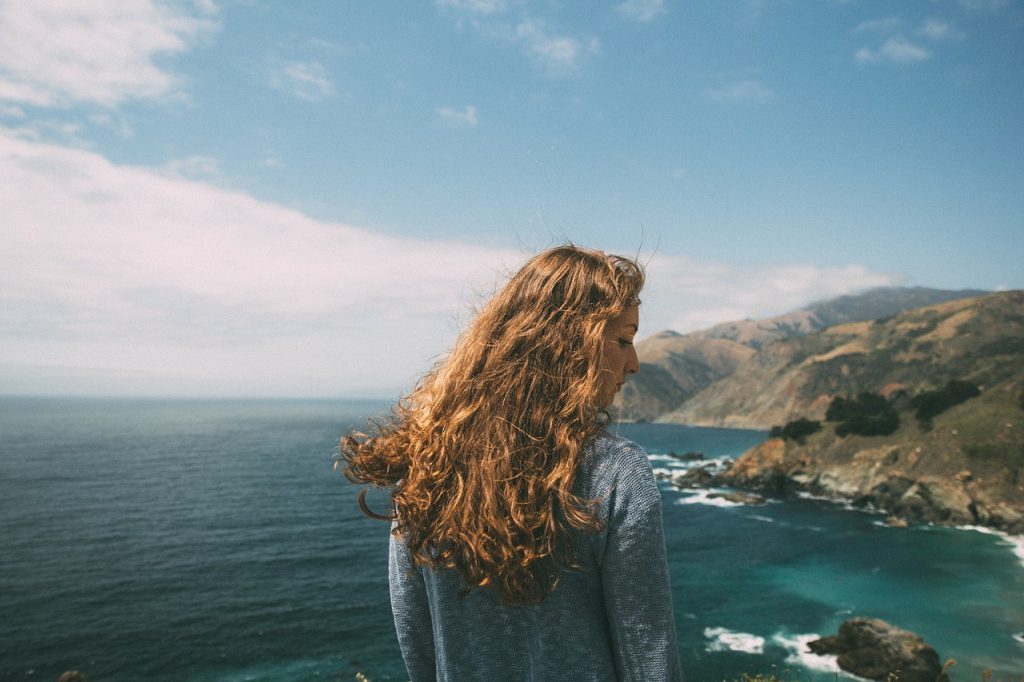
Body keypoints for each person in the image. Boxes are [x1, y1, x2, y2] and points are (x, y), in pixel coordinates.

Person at [342, 245, 684, 681]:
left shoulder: (425, 462)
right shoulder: (617, 472)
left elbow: (417, 642)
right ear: (569, 344)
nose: (633, 364)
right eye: (622, 340)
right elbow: (647, 656)